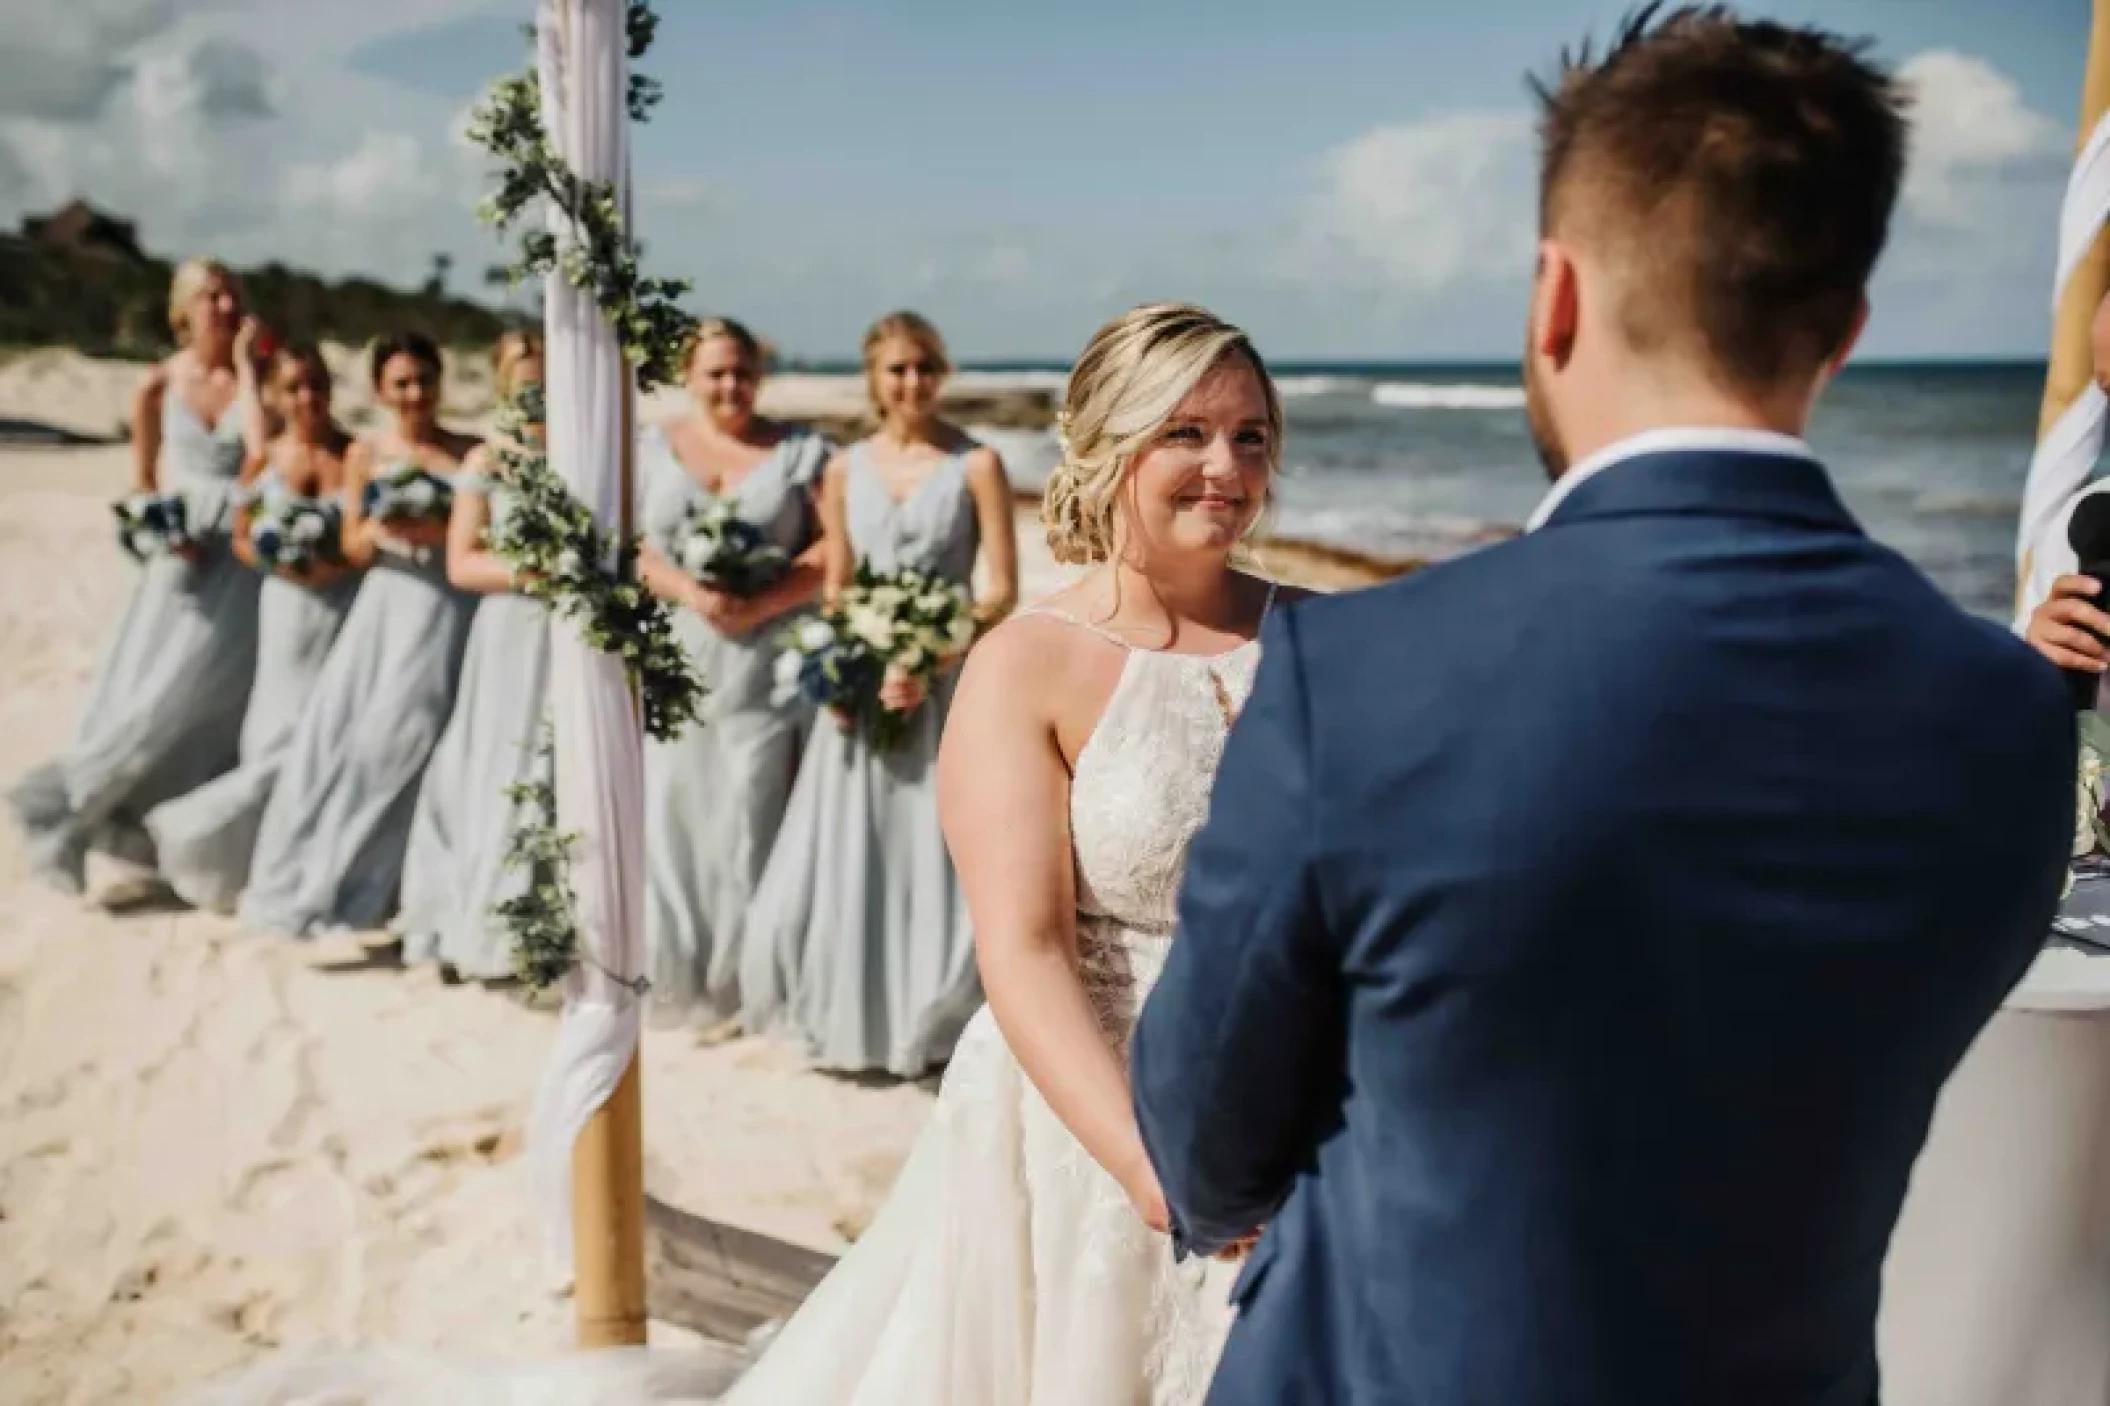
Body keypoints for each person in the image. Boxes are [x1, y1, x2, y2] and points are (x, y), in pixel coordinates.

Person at [1131, 11, 2075, 1406]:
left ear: (1550, 296)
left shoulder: (1364, 672)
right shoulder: (2004, 712)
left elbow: (1202, 1145)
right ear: (1844, 331)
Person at [739, 311, 1018, 1076]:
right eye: (897, 369)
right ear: (875, 378)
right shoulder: (842, 470)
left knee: (931, 842)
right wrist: (845, 666)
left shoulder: (978, 464)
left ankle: (929, 1018)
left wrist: (931, 656)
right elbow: (836, 590)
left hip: (940, 689)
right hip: (859, 693)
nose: (912, 383)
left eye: (925, 367)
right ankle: (846, 1012)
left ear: (942, 373)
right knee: (853, 844)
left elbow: (1000, 593)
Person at [10, 258, 268, 896]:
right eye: (212, 298)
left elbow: (263, 461)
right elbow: (143, 483)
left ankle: (175, 845)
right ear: (182, 311)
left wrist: (250, 371)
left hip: (239, 565)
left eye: (234, 296)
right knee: (151, 700)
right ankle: (61, 814)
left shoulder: (253, 382)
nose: (226, 308)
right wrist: (157, 530)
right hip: (179, 573)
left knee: (212, 712)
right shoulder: (157, 384)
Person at [238, 333, 481, 937]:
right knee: (358, 741)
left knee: (427, 743)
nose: (414, 393)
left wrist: (443, 523)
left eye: (424, 379)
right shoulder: (366, 454)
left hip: (449, 610)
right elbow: (351, 544)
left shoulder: (471, 451)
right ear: (380, 391)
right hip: (387, 608)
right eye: (401, 383)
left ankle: (406, 890)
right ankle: (326, 883)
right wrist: (389, 525)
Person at [633, 318, 832, 1020]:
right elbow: (629, 547)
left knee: (753, 811)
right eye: (715, 373)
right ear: (688, 376)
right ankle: (677, 971)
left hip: (766, 659)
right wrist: (690, 590)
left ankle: (752, 980)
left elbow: (835, 548)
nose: (730, 386)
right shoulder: (650, 450)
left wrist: (764, 601)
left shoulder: (802, 453)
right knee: (675, 811)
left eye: (742, 373)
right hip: (680, 652)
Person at [143, 343, 363, 911]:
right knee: (272, 736)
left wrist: (331, 564)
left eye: (316, 384)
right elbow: (243, 538)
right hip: (285, 610)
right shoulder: (263, 459)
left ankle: (312, 864)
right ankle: (230, 852)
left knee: (326, 739)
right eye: (294, 388)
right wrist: (284, 561)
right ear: (275, 396)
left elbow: (366, 538)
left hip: (340, 608)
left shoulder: (355, 453)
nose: (308, 397)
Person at [395, 331, 554, 982]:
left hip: (569, 633)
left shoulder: (586, 455)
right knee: (497, 764)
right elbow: (463, 562)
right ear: (503, 384)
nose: (536, 390)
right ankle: (484, 920)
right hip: (510, 630)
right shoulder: (489, 460)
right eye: (524, 379)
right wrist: (539, 570)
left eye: (545, 378)